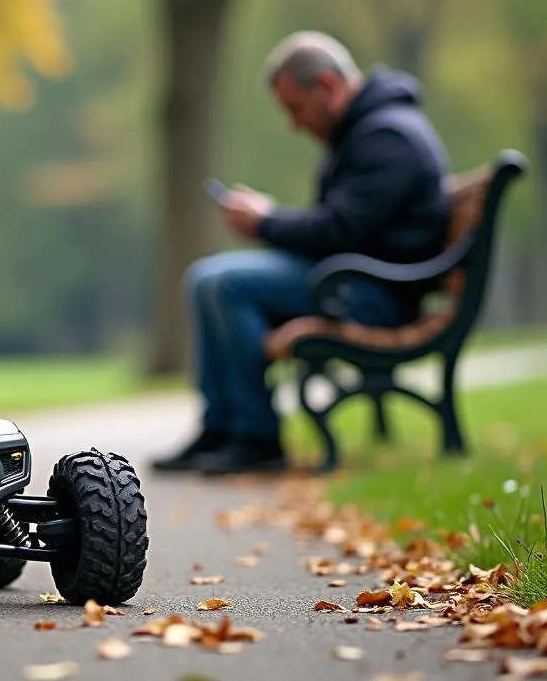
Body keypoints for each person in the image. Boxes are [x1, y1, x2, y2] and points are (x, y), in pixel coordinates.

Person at [151, 30, 452, 476]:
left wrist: (266, 221)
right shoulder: (369, 132)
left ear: (328, 86)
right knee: (206, 277)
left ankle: (256, 435)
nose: (295, 124)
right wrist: (267, 221)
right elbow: (342, 225)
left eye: (295, 108)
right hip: (353, 279)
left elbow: (340, 229)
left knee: (223, 281)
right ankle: (222, 427)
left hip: (375, 293)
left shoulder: (388, 137)